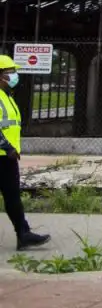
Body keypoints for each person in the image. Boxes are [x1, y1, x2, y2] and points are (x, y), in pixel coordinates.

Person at [0, 55, 49, 251]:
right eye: (10, 72)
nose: (14, 75)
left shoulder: (6, 96)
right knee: (12, 196)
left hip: (6, 157)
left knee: (12, 197)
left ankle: (24, 234)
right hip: (3, 154)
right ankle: (23, 233)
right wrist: (7, 147)